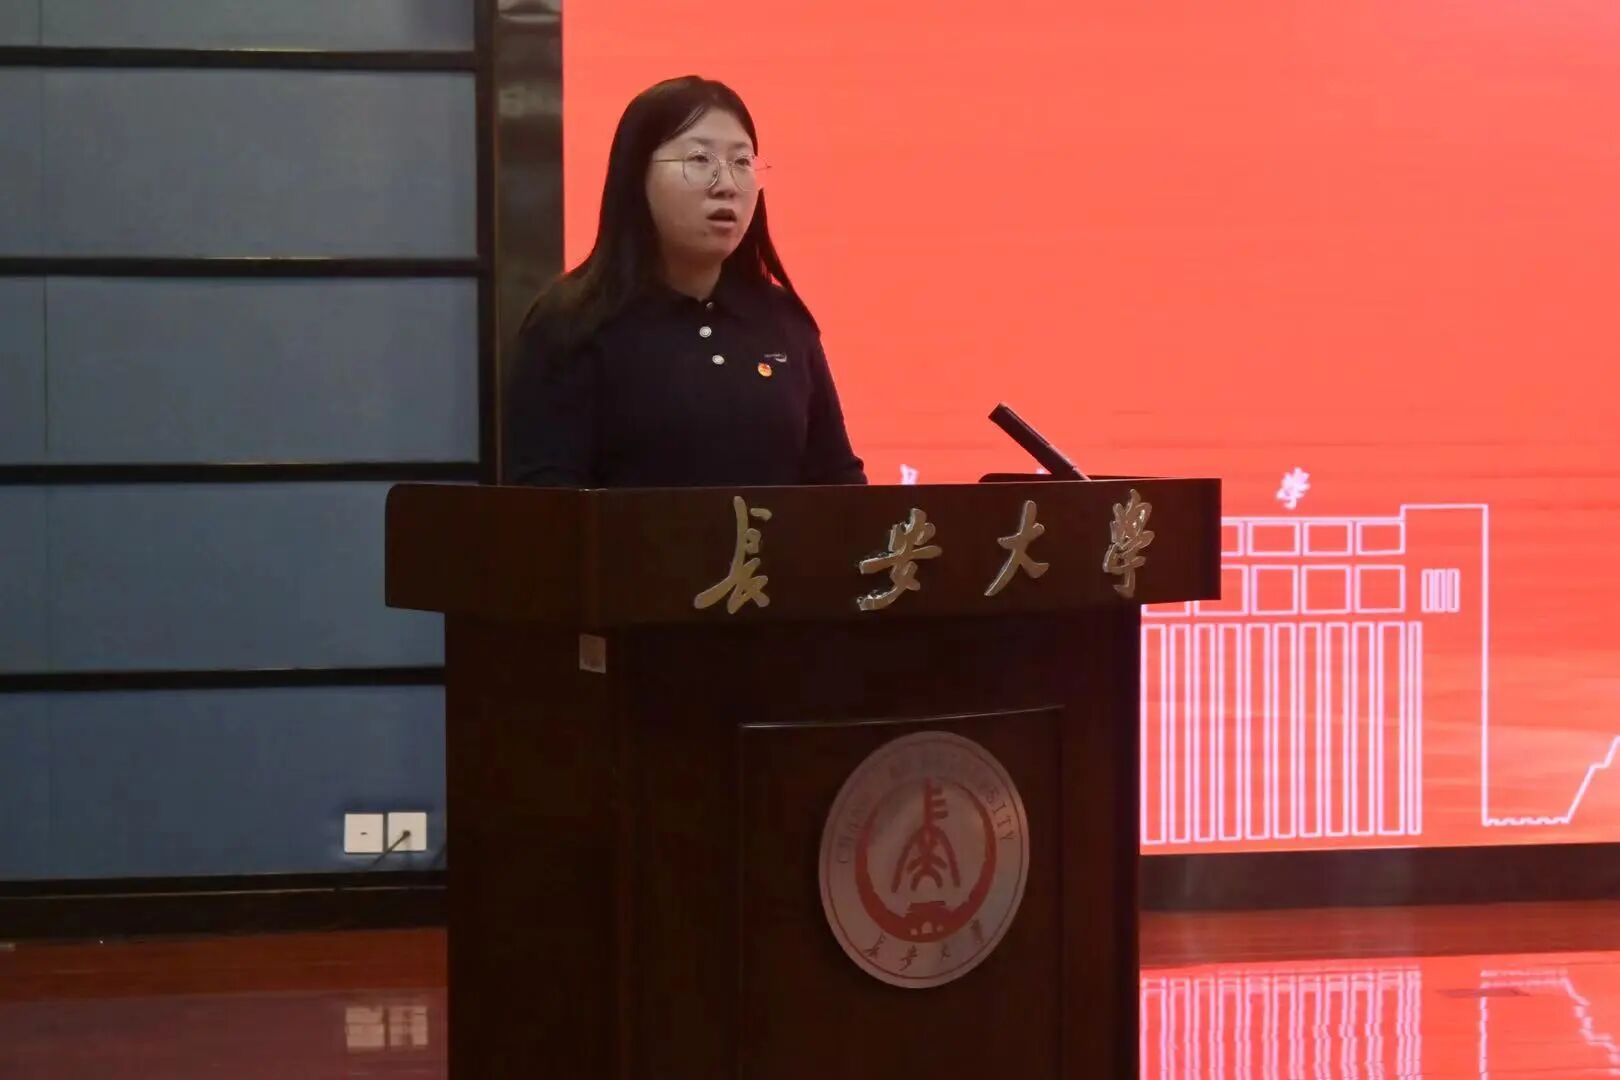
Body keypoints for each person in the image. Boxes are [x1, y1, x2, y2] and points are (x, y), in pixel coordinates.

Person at [504, 76, 867, 488]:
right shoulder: (570, 322)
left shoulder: (784, 321)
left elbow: (838, 483)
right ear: (636, 175)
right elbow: (545, 502)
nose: (726, 185)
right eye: (699, 159)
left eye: (742, 162)